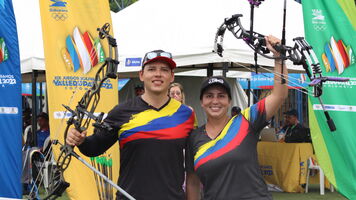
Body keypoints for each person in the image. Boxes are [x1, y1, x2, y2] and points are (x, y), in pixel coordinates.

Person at [66, 50, 196, 200]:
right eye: (152, 69)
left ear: (172, 76)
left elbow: (194, 160)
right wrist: (80, 140)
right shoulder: (122, 111)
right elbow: (95, 147)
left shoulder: (186, 114)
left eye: (164, 70)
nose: (158, 74)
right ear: (141, 75)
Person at [186, 36, 288, 199]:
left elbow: (279, 95)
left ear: (229, 101)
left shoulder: (246, 120)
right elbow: (192, 181)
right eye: (209, 96)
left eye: (221, 96)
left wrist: (279, 57)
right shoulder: (194, 137)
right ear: (202, 102)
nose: (215, 101)